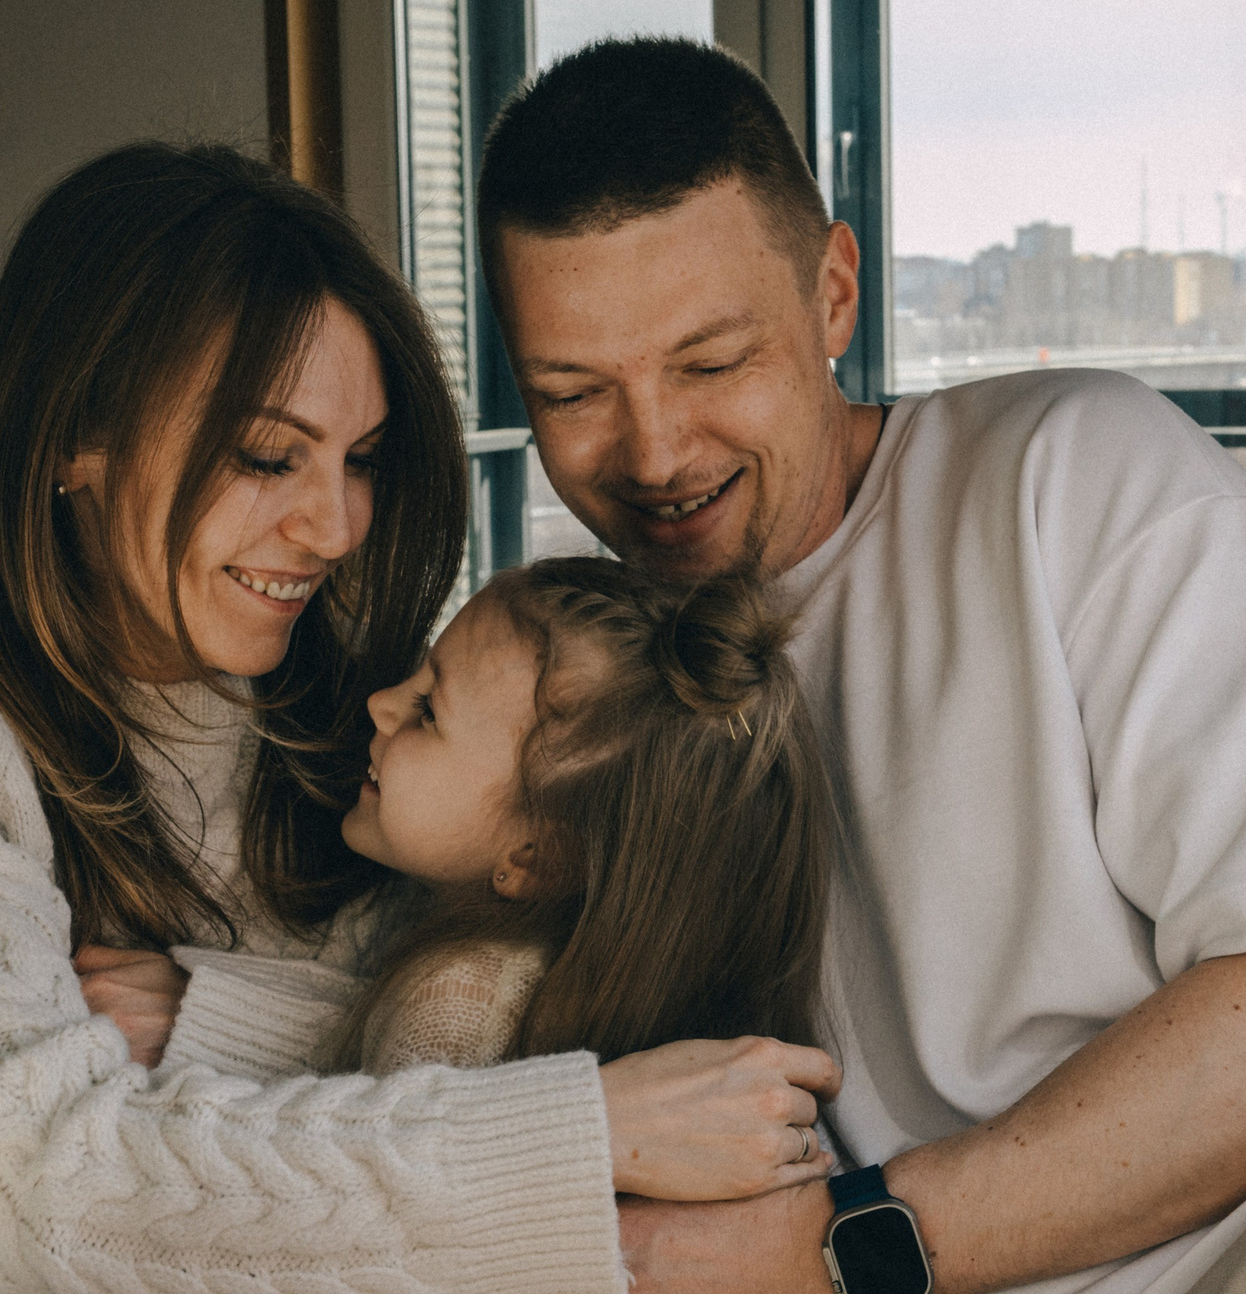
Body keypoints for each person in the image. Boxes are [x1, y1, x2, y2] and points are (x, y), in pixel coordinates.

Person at [0, 139, 841, 1293]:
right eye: (267, 455)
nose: (331, 527)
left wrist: (224, 1023)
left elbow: (449, 1021)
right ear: (80, 437)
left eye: (361, 459)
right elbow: (8, 1198)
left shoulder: (359, 737)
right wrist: (585, 1136)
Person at [475, 36, 1246, 1294]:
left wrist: (833, 1248)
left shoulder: (1073, 479)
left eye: (710, 363)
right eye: (571, 393)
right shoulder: (576, 661)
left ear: (833, 293)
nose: (655, 452)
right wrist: (202, 1006)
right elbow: (438, 948)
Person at [333, 556, 836, 1195]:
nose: (380, 704)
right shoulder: (614, 994)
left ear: (535, 860)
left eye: (429, 709)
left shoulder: (448, 1008)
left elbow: (378, 1215)